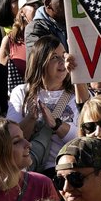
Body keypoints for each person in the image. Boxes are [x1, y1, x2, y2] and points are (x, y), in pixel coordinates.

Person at [7, 34, 76, 172]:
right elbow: (10, 140)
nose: (62, 62)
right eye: (55, 57)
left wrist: (57, 125)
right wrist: (31, 119)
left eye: (64, 55)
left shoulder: (76, 95)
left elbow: (83, 137)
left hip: (65, 170)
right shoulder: (21, 92)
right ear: (40, 61)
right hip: (29, 171)